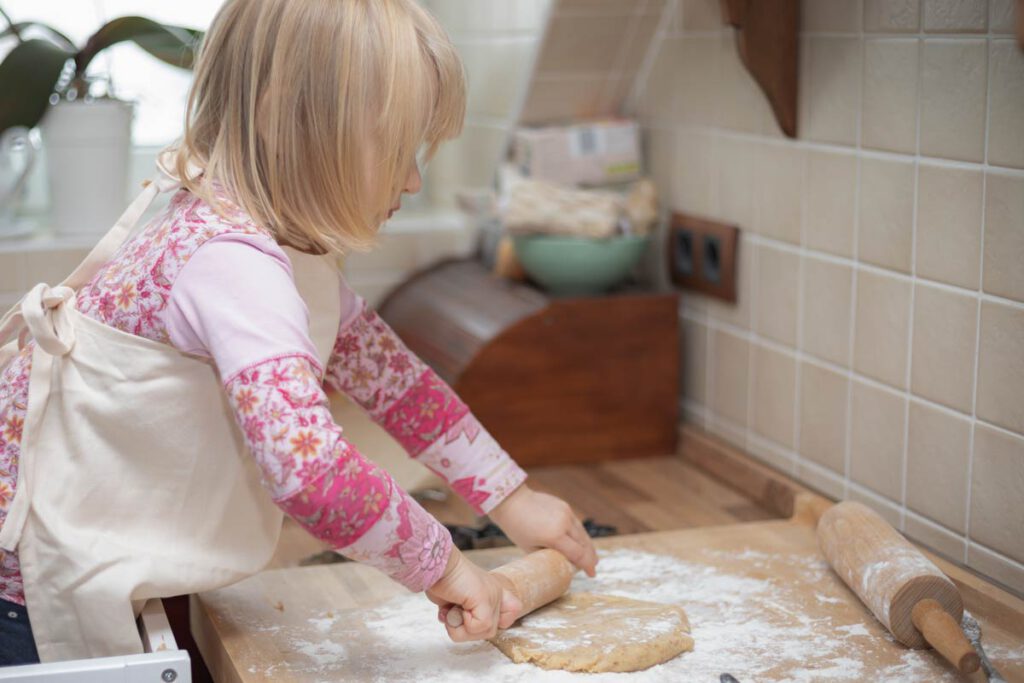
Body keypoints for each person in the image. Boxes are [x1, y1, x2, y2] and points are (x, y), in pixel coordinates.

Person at [0, 0, 597, 667]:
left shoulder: (279, 245)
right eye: (399, 149)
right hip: (28, 585)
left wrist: (515, 500)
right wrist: (448, 569)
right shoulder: (233, 264)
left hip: (90, 542)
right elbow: (312, 475)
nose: (412, 178)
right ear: (292, 119)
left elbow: (398, 386)